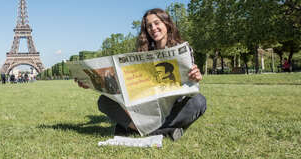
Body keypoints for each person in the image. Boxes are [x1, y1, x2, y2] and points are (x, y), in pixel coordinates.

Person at [81, 8, 207, 141]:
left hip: (172, 104)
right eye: (149, 26)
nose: (153, 28)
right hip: (147, 105)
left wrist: (196, 77)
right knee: (105, 101)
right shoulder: (143, 52)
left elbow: (190, 86)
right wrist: (92, 82)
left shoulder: (183, 49)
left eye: (157, 23)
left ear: (167, 24)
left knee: (199, 101)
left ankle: (140, 131)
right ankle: (165, 131)